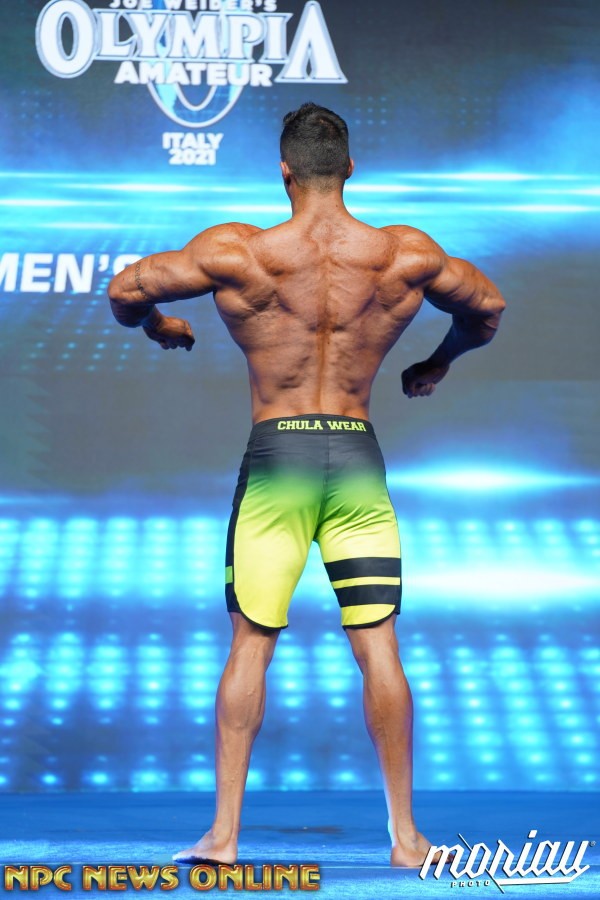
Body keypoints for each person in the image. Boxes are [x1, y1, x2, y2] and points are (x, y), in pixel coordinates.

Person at [108, 102, 506, 868]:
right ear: (349, 169)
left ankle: (224, 837)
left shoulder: (239, 252)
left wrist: (161, 327)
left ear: (284, 172)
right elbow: (487, 308)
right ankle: (407, 838)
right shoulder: (404, 255)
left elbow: (128, 290)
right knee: (379, 645)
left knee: (252, 643)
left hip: (278, 463)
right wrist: (436, 362)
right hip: (356, 460)